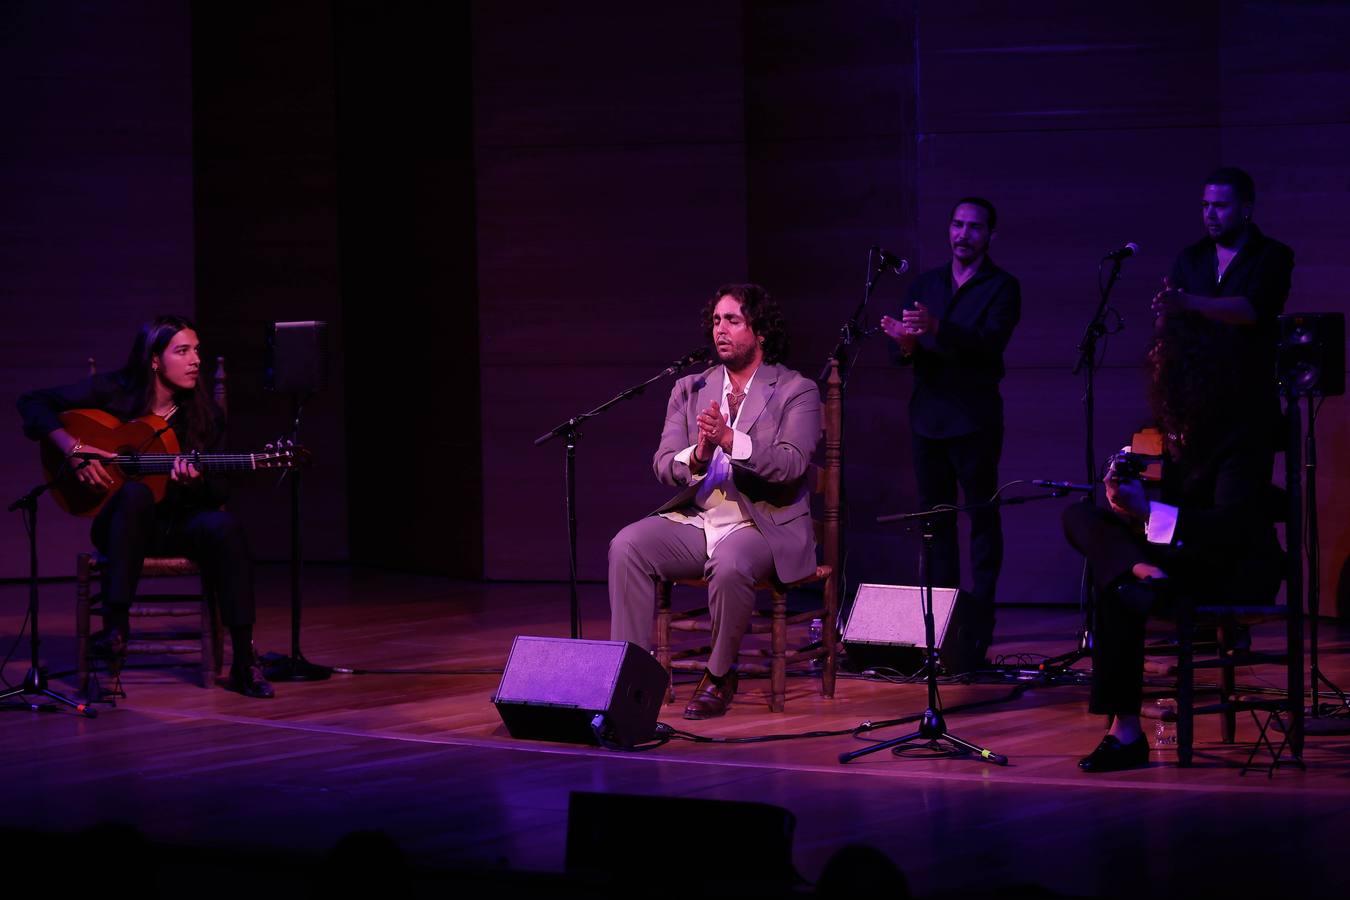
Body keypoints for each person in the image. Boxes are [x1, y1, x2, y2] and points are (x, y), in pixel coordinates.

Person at [1063, 315, 1282, 772]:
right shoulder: (1171, 429)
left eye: (1169, 366)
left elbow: (1227, 529)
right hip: (1175, 561)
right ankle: (1141, 572)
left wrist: (1147, 513)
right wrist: (1120, 500)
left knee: (1117, 586)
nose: (1157, 373)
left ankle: (1124, 734)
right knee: (1080, 514)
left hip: (1230, 566)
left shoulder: (1241, 437)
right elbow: (1153, 506)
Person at [17, 315, 274, 698]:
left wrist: (198, 480)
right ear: (155, 359)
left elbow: (220, 489)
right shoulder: (115, 392)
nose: (195, 360)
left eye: (197, 351)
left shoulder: (205, 416)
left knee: (226, 527)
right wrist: (73, 450)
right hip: (120, 527)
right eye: (182, 351)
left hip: (176, 524)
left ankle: (242, 662)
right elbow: (31, 402)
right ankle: (116, 628)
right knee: (134, 495)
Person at [608, 283, 821, 719]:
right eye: (716, 321)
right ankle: (626, 675)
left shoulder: (796, 390)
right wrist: (701, 453)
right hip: (700, 519)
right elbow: (665, 465)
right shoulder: (690, 389)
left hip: (763, 524)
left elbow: (791, 465)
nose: (720, 329)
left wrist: (731, 440)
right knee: (626, 545)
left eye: (733, 320)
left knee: (731, 561)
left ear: (760, 331)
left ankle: (720, 675)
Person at [880, 197, 1021, 659]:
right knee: (935, 523)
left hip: (975, 419)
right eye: (957, 225)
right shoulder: (926, 283)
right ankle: (942, 625)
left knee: (981, 519)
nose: (964, 234)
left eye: (974, 227)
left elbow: (988, 346)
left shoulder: (1003, 287)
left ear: (990, 235)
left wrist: (939, 327)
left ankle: (980, 623)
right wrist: (904, 344)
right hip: (928, 419)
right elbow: (903, 357)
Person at [1152, 166, 1294, 436]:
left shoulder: (1272, 255)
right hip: (1194, 402)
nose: (1210, 215)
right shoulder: (1191, 257)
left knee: (1239, 477)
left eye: (1220, 206)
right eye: (1205, 206)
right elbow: (1168, 325)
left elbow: (1252, 310)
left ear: (1246, 209)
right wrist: (1166, 309)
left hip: (1247, 400)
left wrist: (1188, 302)